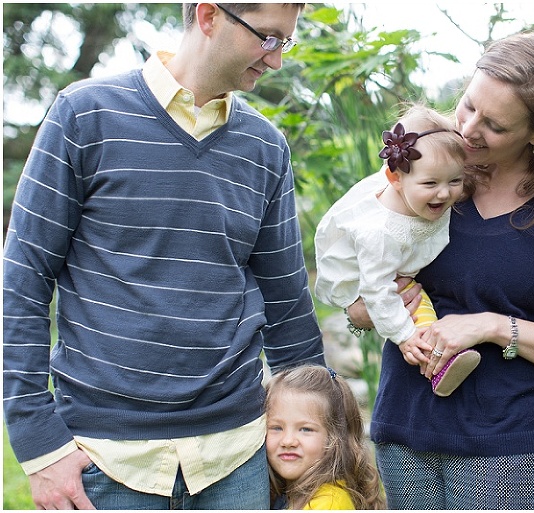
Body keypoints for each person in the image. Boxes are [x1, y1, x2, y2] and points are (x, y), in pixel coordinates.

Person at [3, 3, 324, 510]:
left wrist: (326, 441)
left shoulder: (265, 147)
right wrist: (37, 441)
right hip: (103, 460)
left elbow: (287, 305)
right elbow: (22, 280)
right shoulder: (84, 115)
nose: (276, 60)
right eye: (267, 38)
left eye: (284, 42)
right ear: (208, 15)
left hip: (237, 457)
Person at [347, 32, 534, 509]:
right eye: (468, 105)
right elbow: (356, 306)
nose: (469, 128)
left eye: (494, 124)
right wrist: (369, 308)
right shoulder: (421, 176)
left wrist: (493, 327)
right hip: (405, 436)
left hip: (513, 452)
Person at [314, 105, 481, 397]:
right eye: (431, 183)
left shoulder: (418, 180)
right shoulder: (381, 234)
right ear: (395, 179)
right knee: (409, 305)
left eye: (455, 180)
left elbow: (437, 168)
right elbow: (377, 291)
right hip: (363, 276)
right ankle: (435, 362)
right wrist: (403, 336)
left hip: (387, 259)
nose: (444, 193)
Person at [265, 365, 386, 509]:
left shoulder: (330, 504)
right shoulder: (290, 496)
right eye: (277, 428)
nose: (288, 441)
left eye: (305, 429)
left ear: (335, 438)